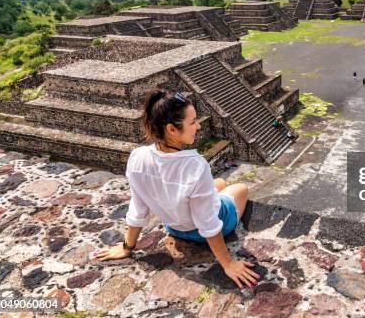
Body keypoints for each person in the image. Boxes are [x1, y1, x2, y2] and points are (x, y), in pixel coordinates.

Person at [95, 90, 259, 289]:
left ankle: (216, 194)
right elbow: (208, 224)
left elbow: (139, 209)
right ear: (172, 129)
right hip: (207, 229)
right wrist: (228, 263)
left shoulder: (137, 157)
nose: (198, 126)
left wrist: (127, 247)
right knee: (240, 188)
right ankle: (223, 198)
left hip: (175, 228)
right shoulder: (195, 165)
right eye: (192, 122)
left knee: (220, 184)